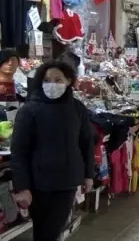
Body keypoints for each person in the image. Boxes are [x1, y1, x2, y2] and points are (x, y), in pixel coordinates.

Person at [11, 61, 95, 240]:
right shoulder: (29, 110)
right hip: (39, 184)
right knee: (45, 232)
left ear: (69, 81)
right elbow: (19, 152)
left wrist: (88, 174)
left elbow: (86, 142)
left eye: (58, 80)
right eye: (47, 80)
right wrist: (22, 187)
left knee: (52, 231)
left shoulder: (77, 108)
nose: (52, 84)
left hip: (67, 183)